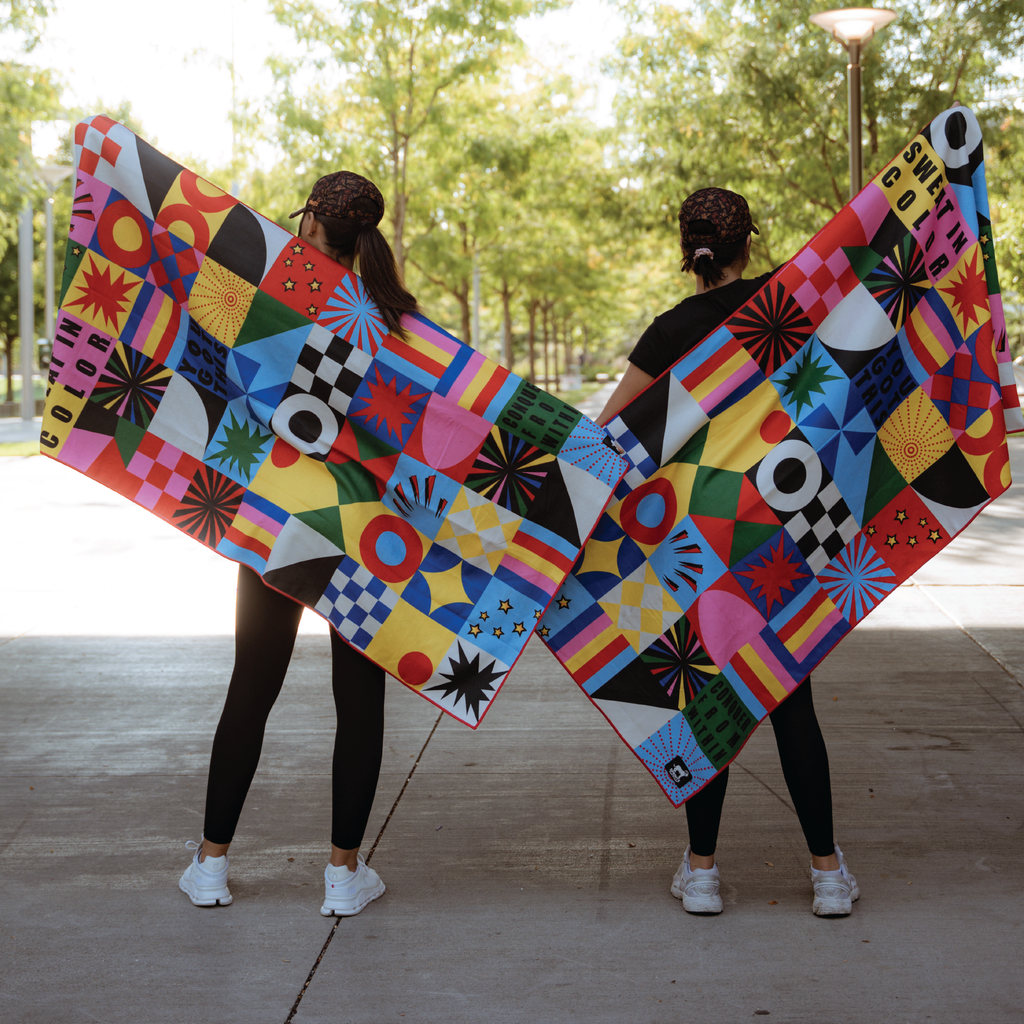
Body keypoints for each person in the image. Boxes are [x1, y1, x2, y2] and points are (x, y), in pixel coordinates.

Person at [597, 187, 858, 918]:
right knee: (790, 693)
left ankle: (703, 873)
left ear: (688, 252)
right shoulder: (785, 307)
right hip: (784, 530)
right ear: (750, 243)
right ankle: (828, 875)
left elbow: (607, 438)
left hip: (696, 543)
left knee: (705, 696)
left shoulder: (669, 332)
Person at [178, 171, 418, 916]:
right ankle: (343, 877)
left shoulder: (271, 298)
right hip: (362, 530)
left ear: (312, 221)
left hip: (278, 521)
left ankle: (211, 864)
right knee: (361, 700)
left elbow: (207, 355)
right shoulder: (395, 323)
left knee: (252, 685)